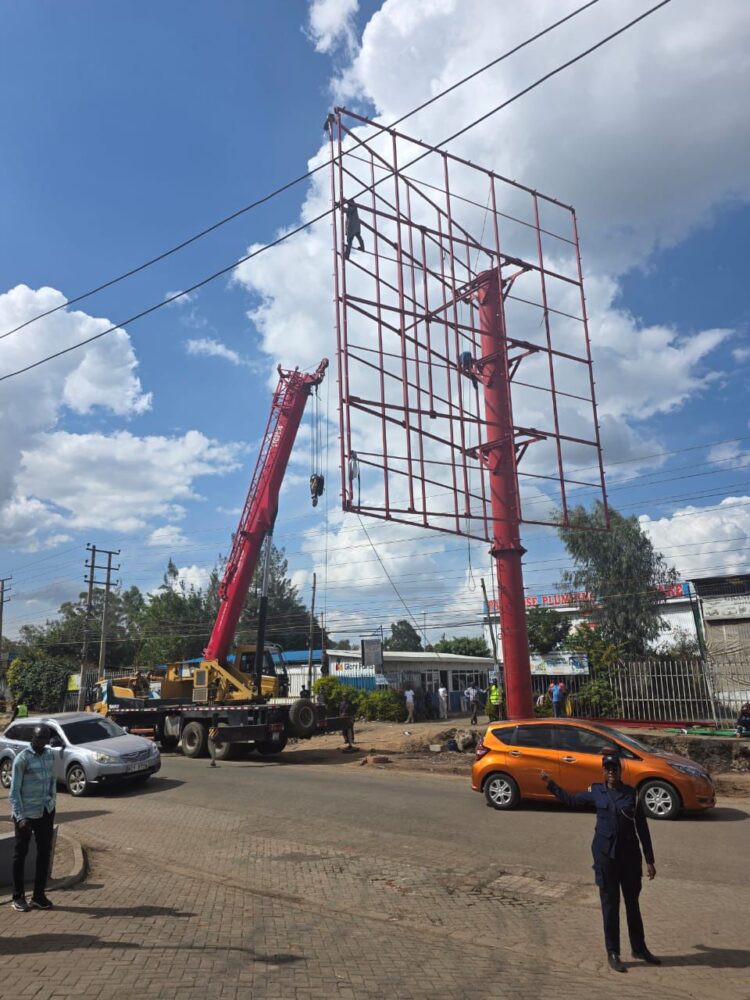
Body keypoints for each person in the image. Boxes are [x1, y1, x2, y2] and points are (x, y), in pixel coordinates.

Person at [540, 753, 660, 973]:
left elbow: (642, 828)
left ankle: (639, 948)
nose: (612, 772)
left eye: (615, 768)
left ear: (620, 771)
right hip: (606, 858)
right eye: (608, 769)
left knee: (633, 905)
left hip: (630, 858)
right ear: (603, 772)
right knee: (610, 905)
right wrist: (551, 784)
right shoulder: (596, 791)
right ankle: (613, 952)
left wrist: (649, 860)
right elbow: (571, 801)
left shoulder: (632, 794)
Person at [9, 724, 57, 912]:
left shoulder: (49, 755)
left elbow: (52, 780)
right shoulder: (22, 759)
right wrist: (20, 817)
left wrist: (52, 802)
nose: (43, 744)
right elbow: (14, 792)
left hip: (45, 811)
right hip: (26, 815)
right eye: (40, 740)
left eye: (46, 740)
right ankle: (18, 896)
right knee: (20, 855)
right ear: (33, 739)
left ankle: (38, 895)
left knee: (44, 853)